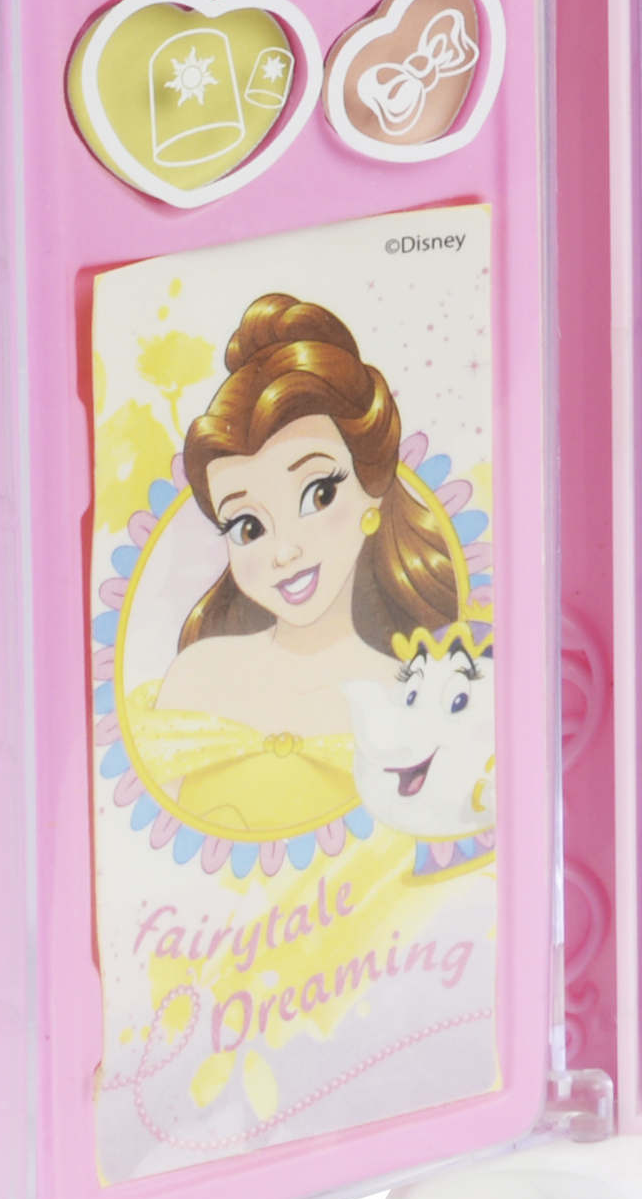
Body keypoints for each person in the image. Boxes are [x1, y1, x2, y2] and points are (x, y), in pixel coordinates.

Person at [133, 299, 467, 830]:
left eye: (318, 494)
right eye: (248, 527)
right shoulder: (199, 676)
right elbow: (149, 836)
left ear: (372, 488)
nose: (284, 552)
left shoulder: (415, 691)